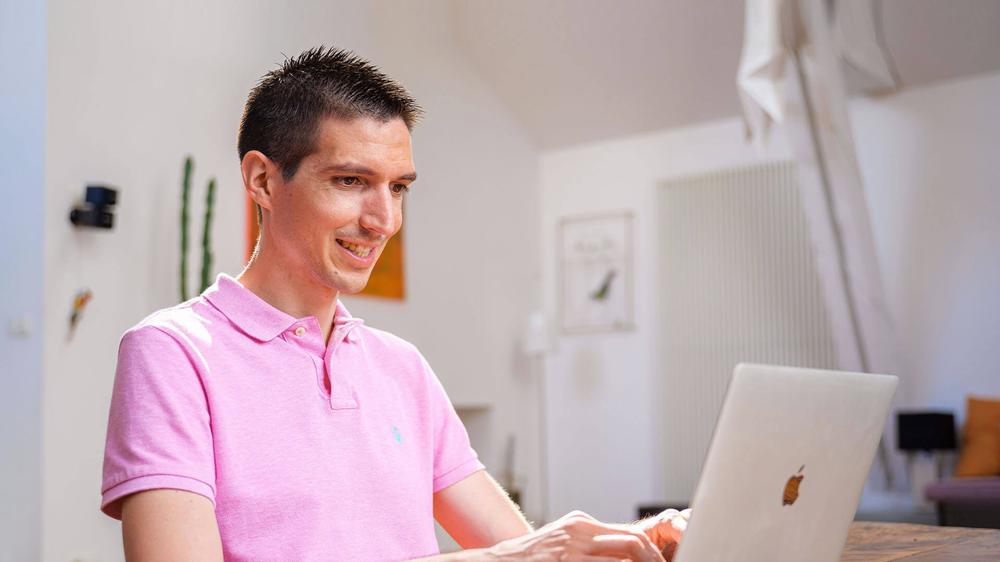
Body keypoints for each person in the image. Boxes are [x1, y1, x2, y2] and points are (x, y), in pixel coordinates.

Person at [101, 46, 689, 561]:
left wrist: (639, 540)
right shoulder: (172, 353)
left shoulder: (400, 367)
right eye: (350, 181)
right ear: (261, 181)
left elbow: (525, 549)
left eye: (399, 187)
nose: (385, 220)